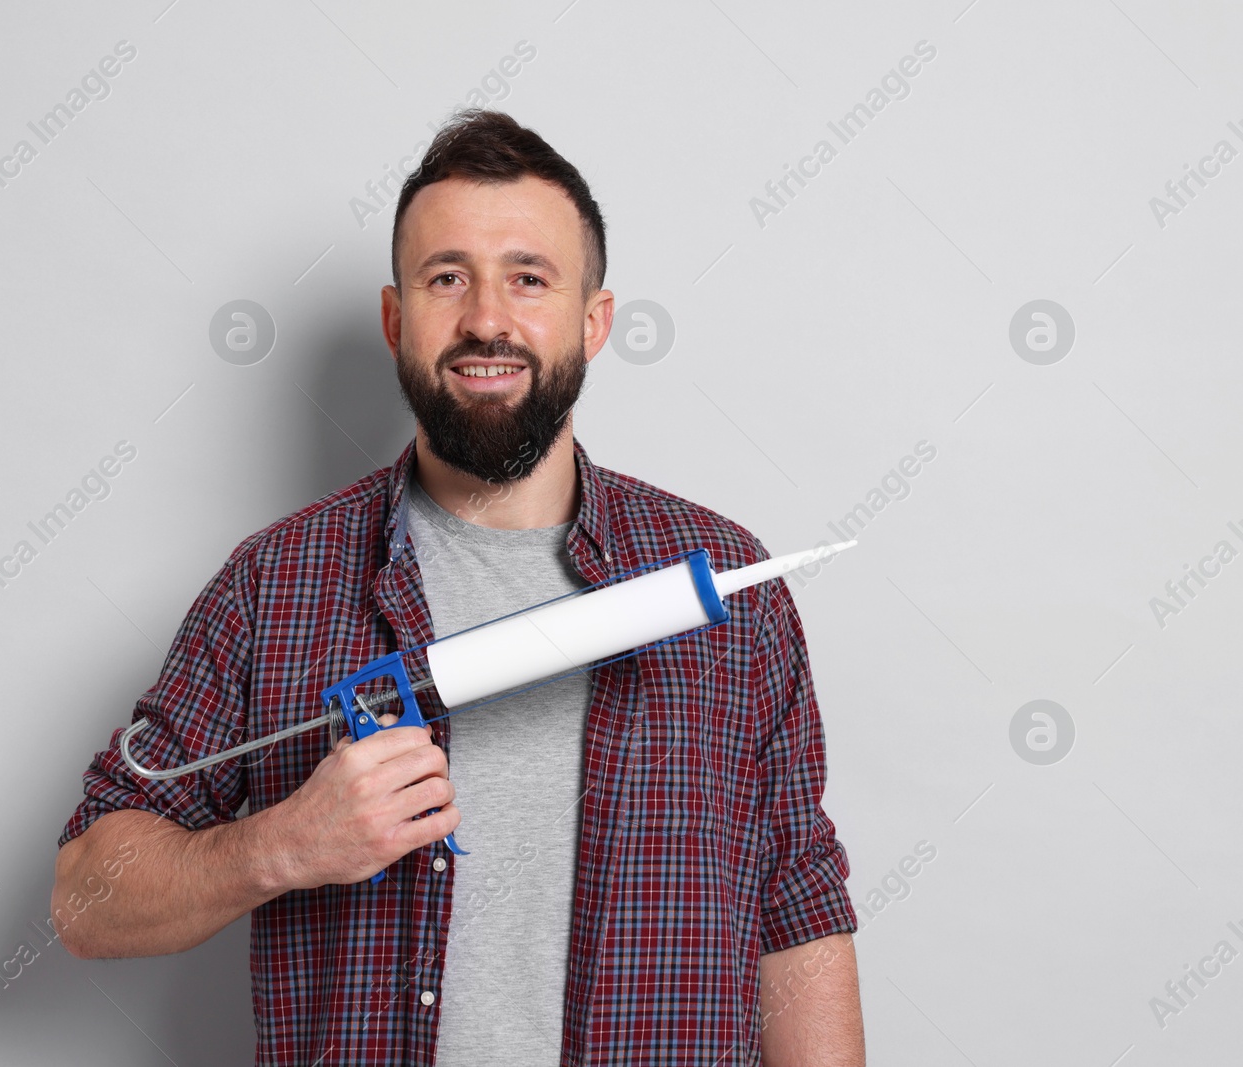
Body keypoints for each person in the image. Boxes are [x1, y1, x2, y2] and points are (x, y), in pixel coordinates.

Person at [52, 108, 865, 1066]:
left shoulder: (729, 590)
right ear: (398, 320)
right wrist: (281, 845)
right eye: (448, 279)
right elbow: (83, 900)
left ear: (592, 322)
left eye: (529, 278)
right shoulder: (275, 586)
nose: (487, 317)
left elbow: (796, 904)